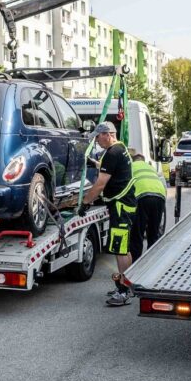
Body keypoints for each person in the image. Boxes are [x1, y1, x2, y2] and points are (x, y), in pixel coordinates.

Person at [79, 122, 137, 307]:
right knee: (124, 248)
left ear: (107, 134)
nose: (96, 140)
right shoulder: (120, 150)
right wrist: (94, 163)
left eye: (98, 137)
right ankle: (127, 284)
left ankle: (123, 291)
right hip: (124, 205)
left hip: (120, 206)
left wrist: (85, 202)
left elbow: (101, 184)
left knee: (120, 249)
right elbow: (110, 168)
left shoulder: (112, 153)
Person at [127, 151, 167, 261]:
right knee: (153, 233)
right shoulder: (150, 167)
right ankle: (152, 263)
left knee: (137, 233)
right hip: (159, 196)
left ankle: (136, 264)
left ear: (132, 160)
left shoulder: (130, 166)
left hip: (142, 197)